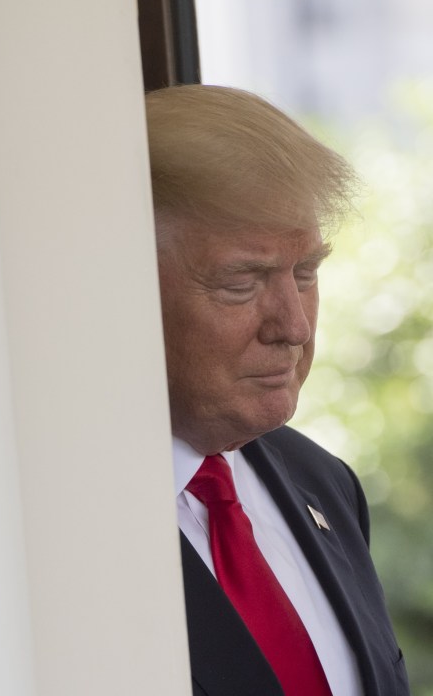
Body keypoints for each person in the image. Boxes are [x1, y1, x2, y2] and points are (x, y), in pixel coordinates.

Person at [146, 85, 409, 696]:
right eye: (243, 281)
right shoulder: (53, 521)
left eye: (306, 273)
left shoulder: (324, 481)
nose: (294, 326)